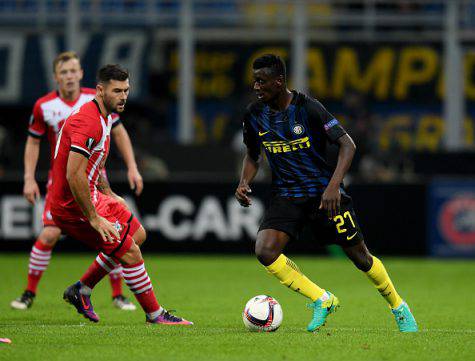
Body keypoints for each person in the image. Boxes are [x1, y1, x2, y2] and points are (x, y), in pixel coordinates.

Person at [235, 54, 417, 333]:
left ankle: (398, 306)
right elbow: (252, 154)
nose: (256, 87)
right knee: (265, 250)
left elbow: (348, 145)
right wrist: (244, 181)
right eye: (254, 81)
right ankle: (322, 299)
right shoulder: (254, 115)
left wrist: (333, 187)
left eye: (261, 81)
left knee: (361, 258)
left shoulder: (308, 108)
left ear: (279, 81)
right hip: (287, 195)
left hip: (324, 195)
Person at [50, 64, 192, 325]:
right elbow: (73, 175)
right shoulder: (87, 121)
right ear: (101, 90)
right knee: (130, 253)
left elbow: (95, 164)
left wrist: (109, 193)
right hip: (72, 206)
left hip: (91, 194)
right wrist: (94, 218)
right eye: (117, 91)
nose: (123, 96)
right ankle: (155, 315)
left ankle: (81, 290)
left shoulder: (104, 116)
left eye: (126, 90)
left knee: (137, 234)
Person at [11, 51, 143, 311]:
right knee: (50, 234)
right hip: (63, 183)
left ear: (81, 74)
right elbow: (33, 143)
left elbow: (119, 132)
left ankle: (116, 295)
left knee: (119, 233)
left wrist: (132, 167)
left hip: (96, 180)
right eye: (64, 72)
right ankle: (29, 292)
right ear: (56, 77)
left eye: (74, 71)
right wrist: (28, 178)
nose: (70, 76)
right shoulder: (45, 106)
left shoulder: (100, 98)